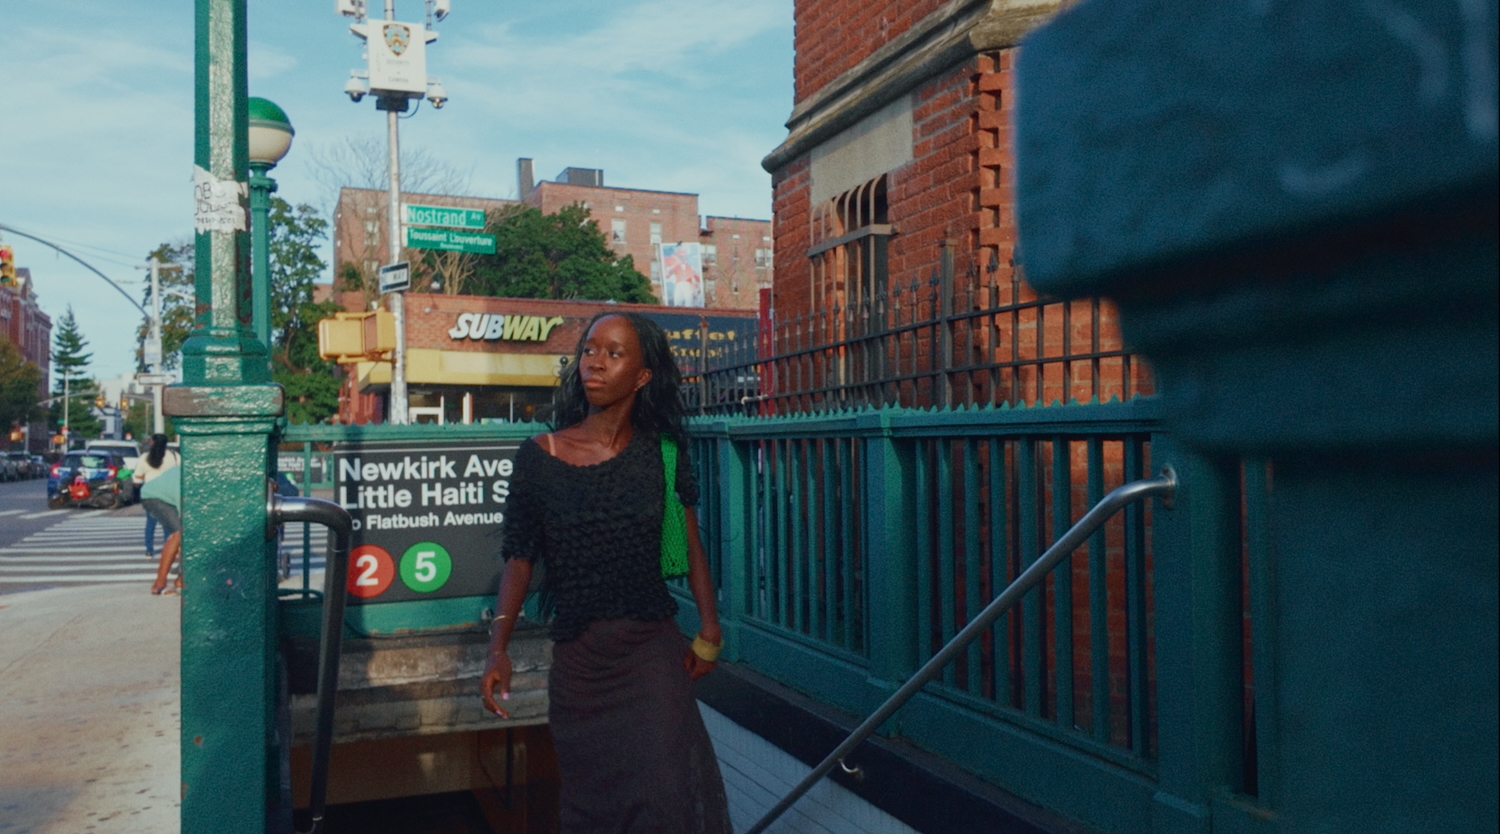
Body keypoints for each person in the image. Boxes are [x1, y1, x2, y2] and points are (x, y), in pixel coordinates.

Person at [480, 312, 732, 834]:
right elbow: (519, 556)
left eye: (613, 353)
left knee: (667, 800)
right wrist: (497, 647)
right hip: (580, 669)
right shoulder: (538, 456)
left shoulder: (662, 454)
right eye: (589, 350)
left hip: (651, 656)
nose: (594, 362)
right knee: (591, 810)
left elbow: (689, 539)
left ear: (642, 377)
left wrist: (709, 629)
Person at [133, 434, 180, 559]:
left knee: (150, 523)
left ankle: (149, 550)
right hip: (169, 494)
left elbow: (137, 478)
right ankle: (168, 550)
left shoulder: (145, 458)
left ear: (152, 442)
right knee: (168, 525)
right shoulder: (175, 457)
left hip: (151, 494)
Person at [140, 465, 182, 595]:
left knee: (186, 536)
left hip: (167, 496)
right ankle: (159, 583)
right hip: (153, 496)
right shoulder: (184, 479)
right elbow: (182, 505)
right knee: (179, 534)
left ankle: (181, 581)